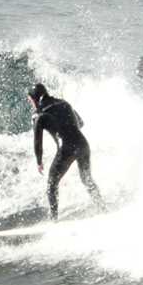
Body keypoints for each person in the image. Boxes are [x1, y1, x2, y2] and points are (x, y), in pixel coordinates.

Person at [28, 83, 105, 220]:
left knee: (52, 183)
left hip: (66, 149)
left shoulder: (38, 114)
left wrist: (39, 161)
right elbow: (80, 123)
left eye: (30, 100)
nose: (30, 103)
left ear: (34, 99)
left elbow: (37, 142)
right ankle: (102, 207)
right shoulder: (64, 103)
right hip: (83, 144)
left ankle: (54, 220)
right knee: (87, 179)